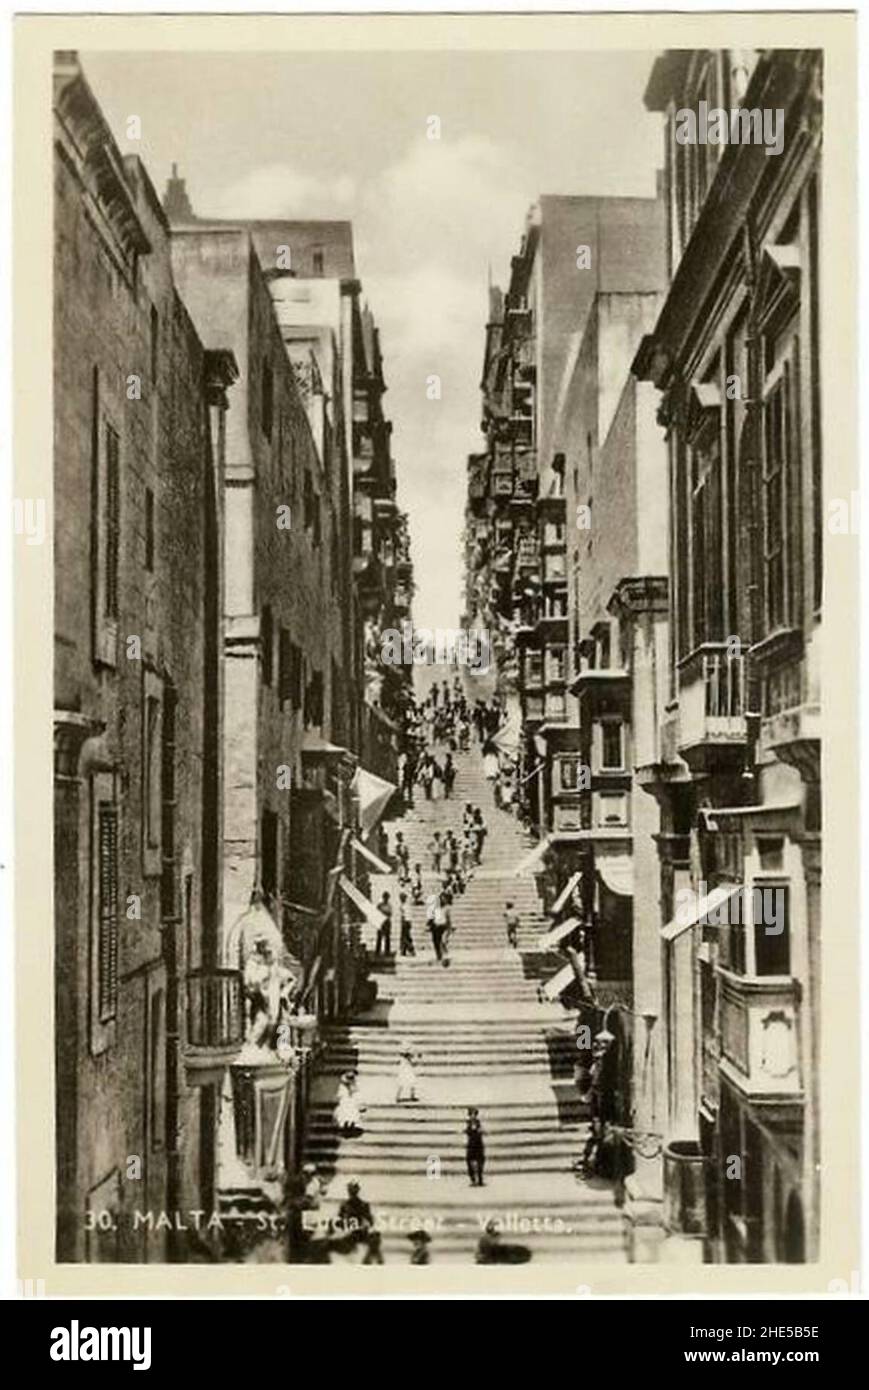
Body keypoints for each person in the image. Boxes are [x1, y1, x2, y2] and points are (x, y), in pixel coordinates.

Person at [336, 1179, 375, 1258]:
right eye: (350, 1189)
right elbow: (338, 1221)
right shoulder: (345, 1205)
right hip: (350, 1234)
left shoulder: (363, 1205)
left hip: (357, 1234)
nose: (351, 1192)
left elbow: (370, 1221)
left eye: (353, 1189)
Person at [465, 1107, 486, 1187]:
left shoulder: (478, 1123)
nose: (473, 1116)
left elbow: (480, 1132)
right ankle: (473, 1179)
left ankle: (480, 1179)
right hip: (471, 1144)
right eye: (471, 1114)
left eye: (474, 1114)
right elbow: (468, 1132)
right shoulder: (468, 1123)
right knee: (469, 1161)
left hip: (478, 1144)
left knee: (480, 1161)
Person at [375, 891, 393, 956]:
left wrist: (383, 913)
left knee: (387, 937)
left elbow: (390, 913)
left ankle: (387, 951)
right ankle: (377, 951)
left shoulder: (389, 905)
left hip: (387, 922)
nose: (386, 899)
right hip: (380, 922)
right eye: (385, 897)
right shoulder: (380, 905)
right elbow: (376, 912)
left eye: (387, 897)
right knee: (379, 937)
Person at [399, 892, 415, 957]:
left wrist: (407, 922)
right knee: (404, 937)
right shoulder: (404, 905)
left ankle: (411, 949)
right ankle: (403, 951)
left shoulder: (405, 906)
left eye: (401, 898)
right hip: (405, 922)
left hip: (406, 922)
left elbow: (407, 915)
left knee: (405, 937)